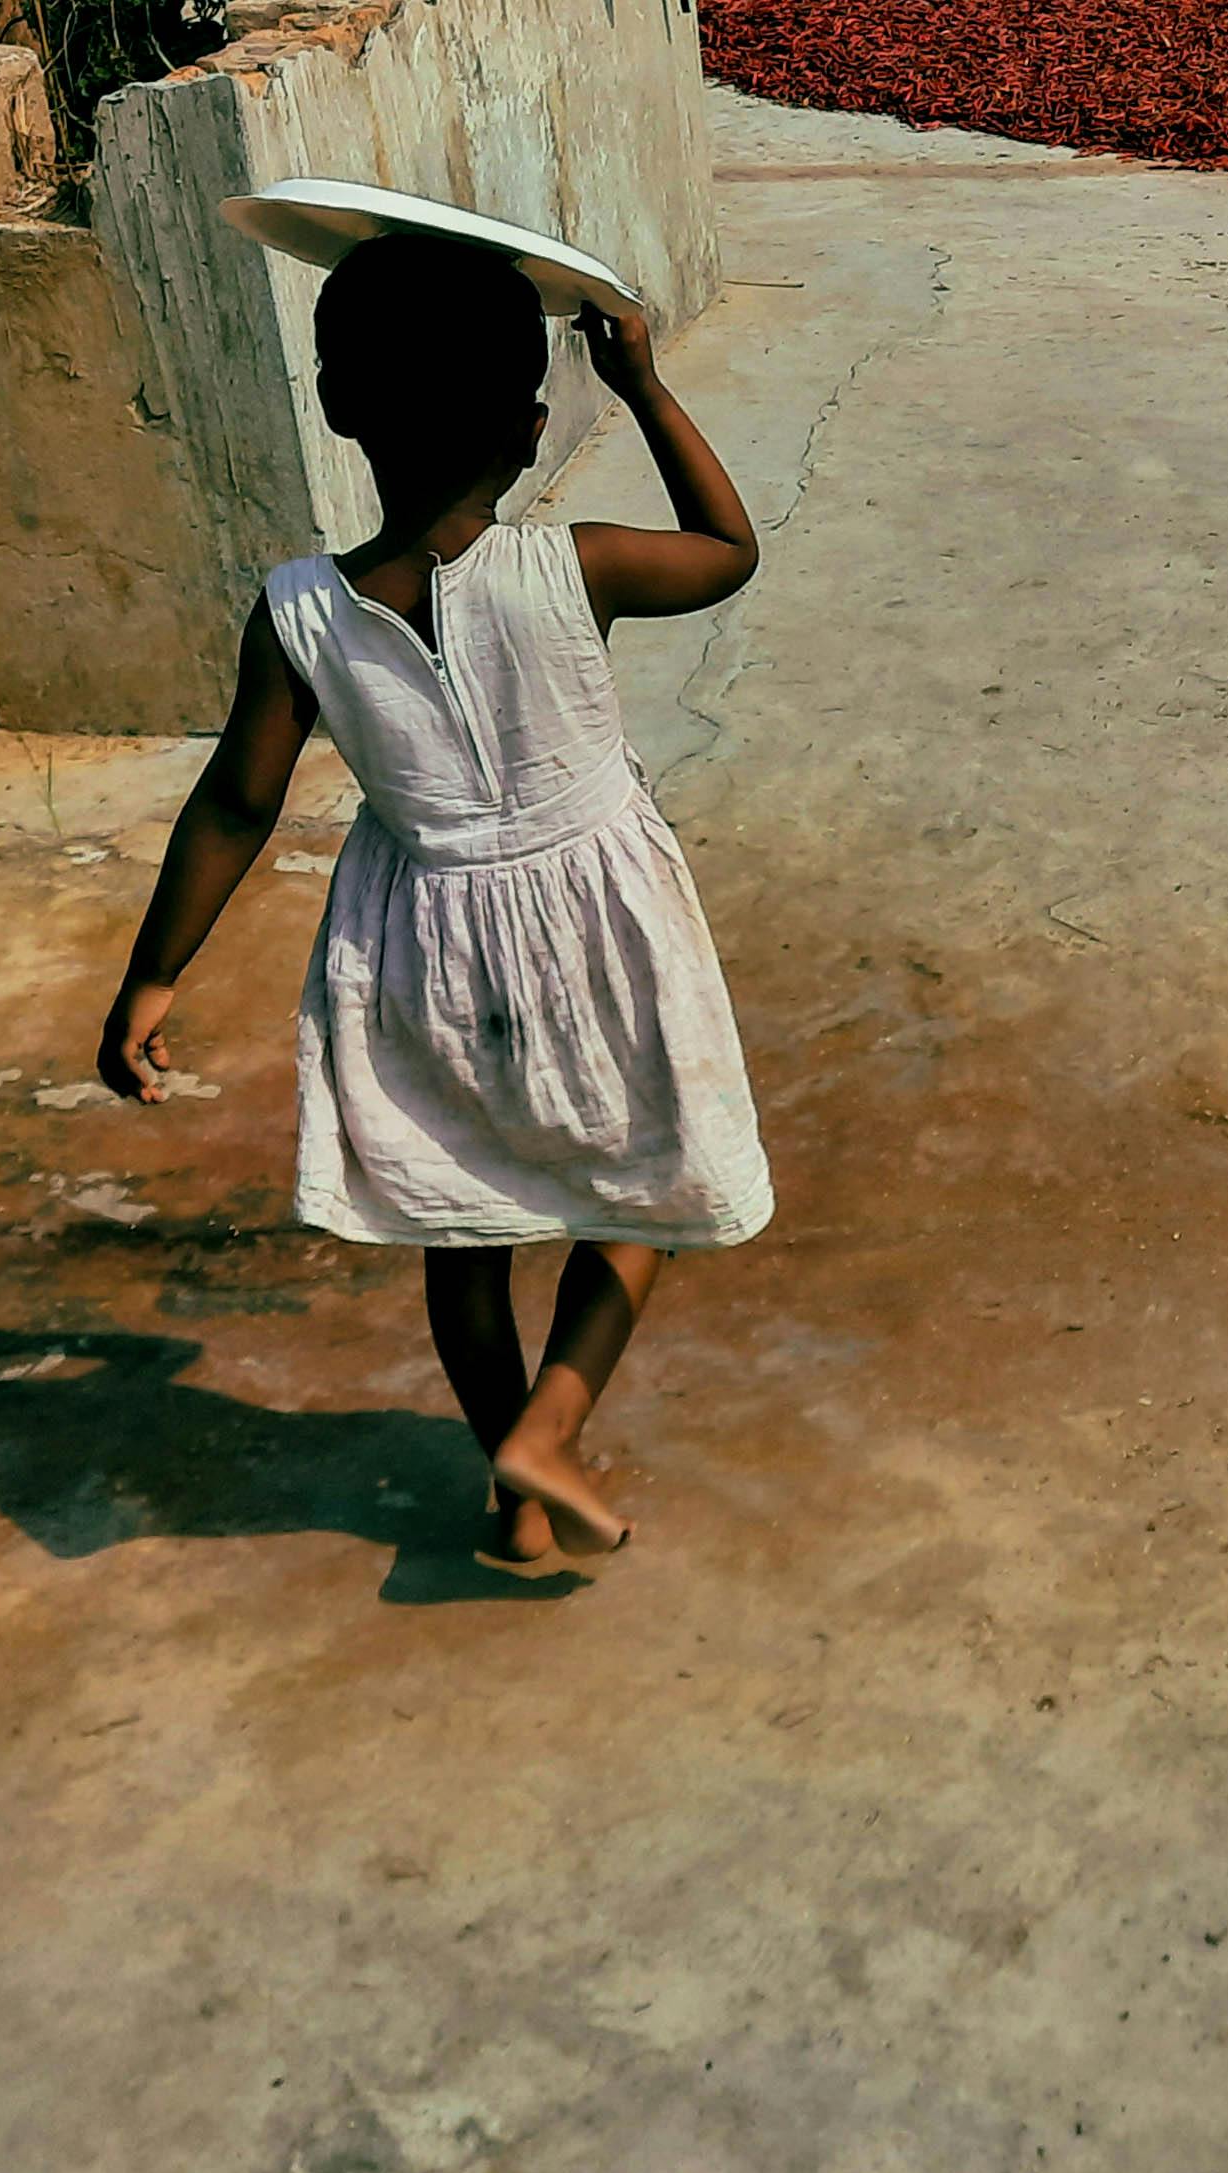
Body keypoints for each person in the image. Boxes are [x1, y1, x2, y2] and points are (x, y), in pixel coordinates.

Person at [97, 232, 770, 1562]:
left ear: (339, 406)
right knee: (648, 1184)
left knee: (463, 1227)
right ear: (528, 428)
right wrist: (640, 384)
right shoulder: (579, 566)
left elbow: (235, 804)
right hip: (601, 929)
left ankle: (514, 1503)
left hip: (422, 946)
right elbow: (727, 549)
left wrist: (151, 976)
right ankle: (549, 1431)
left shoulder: (297, 612)